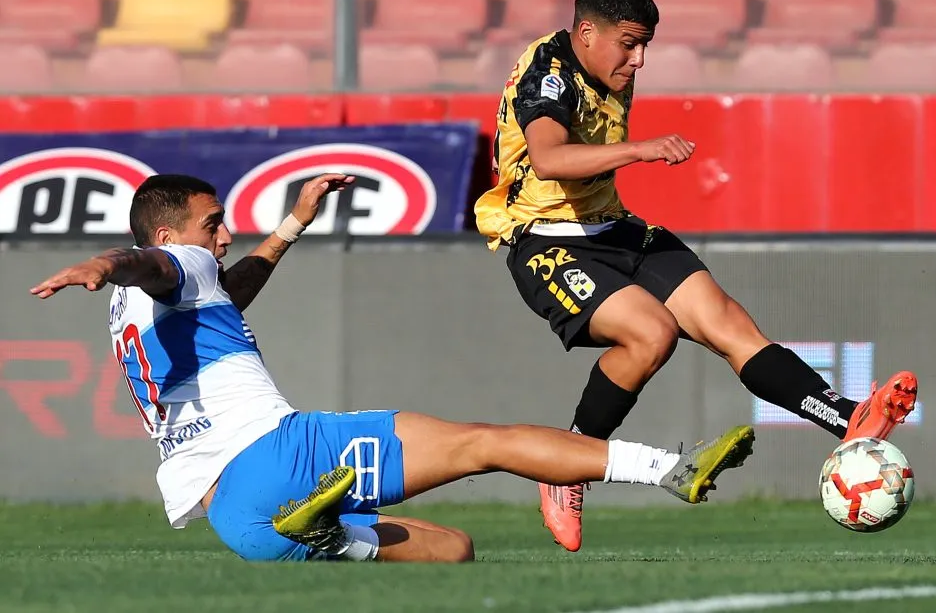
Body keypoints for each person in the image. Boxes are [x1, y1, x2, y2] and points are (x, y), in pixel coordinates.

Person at [29, 173, 756, 563]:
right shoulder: (161, 261)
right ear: (169, 232)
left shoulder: (137, 307)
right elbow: (153, 259)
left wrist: (293, 223)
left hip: (238, 519)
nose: (222, 234)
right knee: (486, 442)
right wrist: (100, 260)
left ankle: (328, 536)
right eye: (212, 221)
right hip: (279, 455)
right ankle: (668, 468)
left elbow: (222, 286)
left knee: (454, 550)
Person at [473, 0, 919, 553]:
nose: (638, 61)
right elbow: (551, 159)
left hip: (616, 228)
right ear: (586, 31)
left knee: (728, 323)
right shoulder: (550, 73)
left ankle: (849, 419)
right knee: (651, 334)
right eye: (628, 44)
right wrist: (643, 149)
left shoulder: (602, 64)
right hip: (545, 239)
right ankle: (566, 471)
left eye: (644, 47)